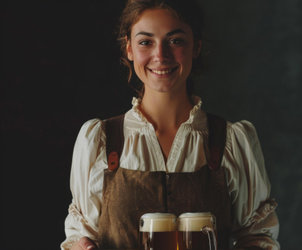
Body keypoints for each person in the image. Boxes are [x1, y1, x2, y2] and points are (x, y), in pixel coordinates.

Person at [61, 0, 280, 249]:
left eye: (175, 40)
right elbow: (79, 237)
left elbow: (257, 236)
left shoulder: (231, 140)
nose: (160, 55)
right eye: (146, 42)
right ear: (129, 49)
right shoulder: (99, 139)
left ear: (196, 46)